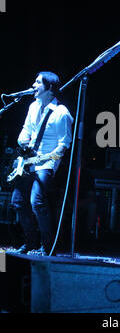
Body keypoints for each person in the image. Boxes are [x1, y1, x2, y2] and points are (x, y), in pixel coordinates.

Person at [9, 72, 73, 256]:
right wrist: (24, 142)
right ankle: (30, 242)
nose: (33, 84)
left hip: (46, 163)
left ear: (50, 88)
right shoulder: (33, 107)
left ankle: (48, 245)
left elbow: (64, 143)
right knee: (18, 202)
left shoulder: (61, 113)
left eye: (38, 82)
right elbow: (26, 130)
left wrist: (49, 158)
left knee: (36, 201)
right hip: (28, 160)